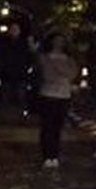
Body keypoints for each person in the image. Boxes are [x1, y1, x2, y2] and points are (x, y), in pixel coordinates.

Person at [35, 32, 78, 169]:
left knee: (58, 127)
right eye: (56, 40)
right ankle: (47, 155)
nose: (59, 44)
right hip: (49, 95)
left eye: (61, 41)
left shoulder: (68, 58)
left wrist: (59, 69)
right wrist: (63, 71)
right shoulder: (45, 57)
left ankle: (55, 155)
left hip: (63, 95)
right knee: (48, 126)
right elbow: (48, 75)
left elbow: (73, 73)